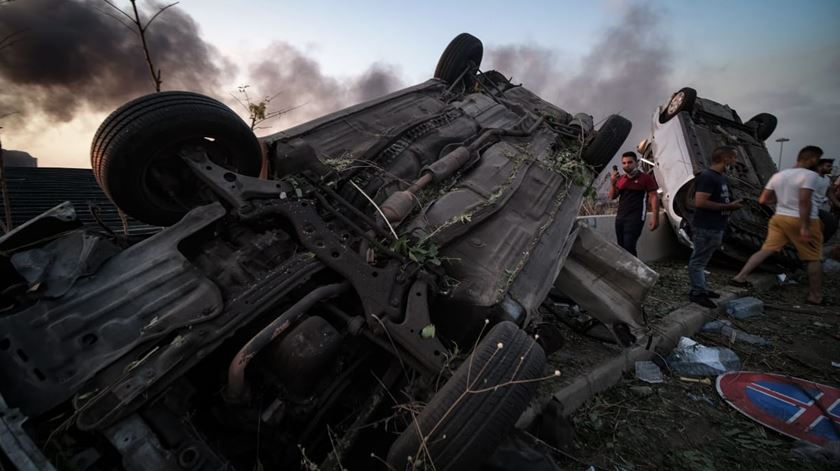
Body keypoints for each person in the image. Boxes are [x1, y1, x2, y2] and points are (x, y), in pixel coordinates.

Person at [731, 146, 824, 305]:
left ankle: (740, 277)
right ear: (812, 159)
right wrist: (805, 227)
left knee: (766, 249)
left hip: (780, 218)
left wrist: (783, 200)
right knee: (813, 258)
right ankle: (815, 296)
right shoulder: (810, 176)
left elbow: (763, 200)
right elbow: (804, 201)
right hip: (802, 219)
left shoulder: (779, 175)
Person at [687, 146, 744, 308]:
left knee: (702, 261)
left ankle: (702, 289)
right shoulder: (707, 177)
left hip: (715, 226)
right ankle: (697, 293)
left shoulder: (720, 178)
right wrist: (728, 207)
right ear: (726, 159)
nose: (735, 161)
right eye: (733, 158)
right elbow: (700, 202)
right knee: (697, 261)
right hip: (706, 226)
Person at [608, 151, 659, 257]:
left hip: (636, 218)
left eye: (630, 162)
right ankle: (626, 270)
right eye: (624, 163)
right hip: (621, 217)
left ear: (636, 163)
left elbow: (654, 197)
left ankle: (636, 271)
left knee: (629, 246)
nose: (627, 165)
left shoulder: (645, 178)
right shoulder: (621, 179)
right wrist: (613, 183)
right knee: (621, 247)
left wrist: (655, 218)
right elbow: (612, 196)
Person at [813, 158, 838, 241]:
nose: (831, 168)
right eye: (828, 166)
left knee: (832, 222)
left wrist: (838, 204)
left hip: (819, 208)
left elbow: (829, 192)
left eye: (831, 166)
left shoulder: (827, 179)